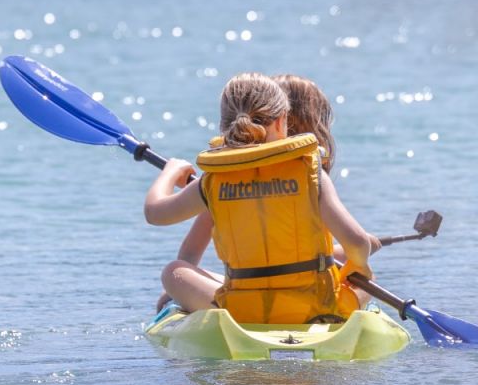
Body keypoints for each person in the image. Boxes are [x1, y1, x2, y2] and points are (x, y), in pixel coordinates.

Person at [144, 72, 380, 324]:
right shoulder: (311, 173)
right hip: (316, 306)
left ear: (225, 127)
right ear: (282, 122)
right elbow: (356, 241)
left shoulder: (214, 181)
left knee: (173, 272)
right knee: (366, 280)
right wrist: (359, 263)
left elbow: (155, 213)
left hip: (243, 310)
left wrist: (170, 172)